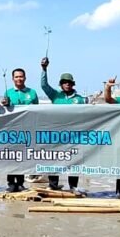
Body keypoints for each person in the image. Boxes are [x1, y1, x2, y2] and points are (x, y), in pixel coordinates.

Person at [40, 57, 85, 192]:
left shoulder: (80, 99)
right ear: (61, 84)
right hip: (56, 133)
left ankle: (73, 186)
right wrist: (44, 69)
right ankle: (53, 185)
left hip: (74, 135)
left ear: (73, 84)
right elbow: (44, 86)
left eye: (69, 82)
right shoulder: (55, 96)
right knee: (54, 160)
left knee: (74, 160)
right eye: (64, 82)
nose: (67, 84)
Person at [3, 68, 39, 192]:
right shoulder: (8, 93)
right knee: (11, 156)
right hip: (12, 130)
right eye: (16, 77)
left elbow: (37, 111)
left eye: (21, 76)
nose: (19, 79)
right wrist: (3, 104)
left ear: (25, 77)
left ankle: (21, 182)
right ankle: (11, 182)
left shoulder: (32, 93)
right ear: (13, 79)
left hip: (27, 129)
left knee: (23, 157)